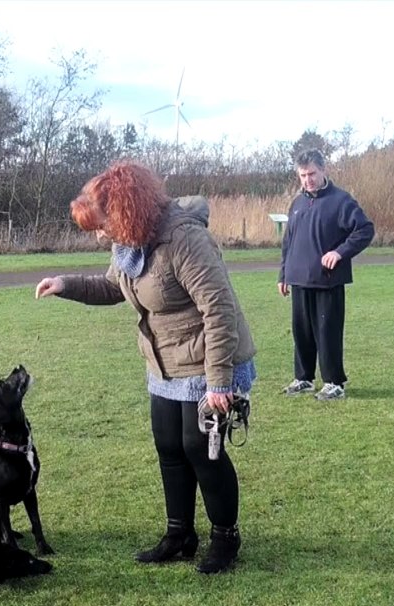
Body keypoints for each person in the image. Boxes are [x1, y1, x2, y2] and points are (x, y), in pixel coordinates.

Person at [35, 161, 256, 574]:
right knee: (169, 447)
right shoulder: (130, 245)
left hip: (210, 361)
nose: (101, 235)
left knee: (199, 450)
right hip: (165, 363)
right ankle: (179, 535)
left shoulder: (184, 238)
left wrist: (219, 382)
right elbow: (111, 287)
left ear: (126, 210)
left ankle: (225, 537)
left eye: (102, 225)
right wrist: (65, 284)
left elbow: (220, 309)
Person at [277, 148, 374, 401]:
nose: (307, 180)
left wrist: (340, 253)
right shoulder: (297, 203)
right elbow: (289, 241)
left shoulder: (341, 201)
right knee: (302, 332)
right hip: (298, 279)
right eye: (302, 175)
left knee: (327, 332)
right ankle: (304, 379)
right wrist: (283, 274)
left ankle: (334, 382)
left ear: (323, 170)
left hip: (328, 281)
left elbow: (364, 230)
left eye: (312, 173)